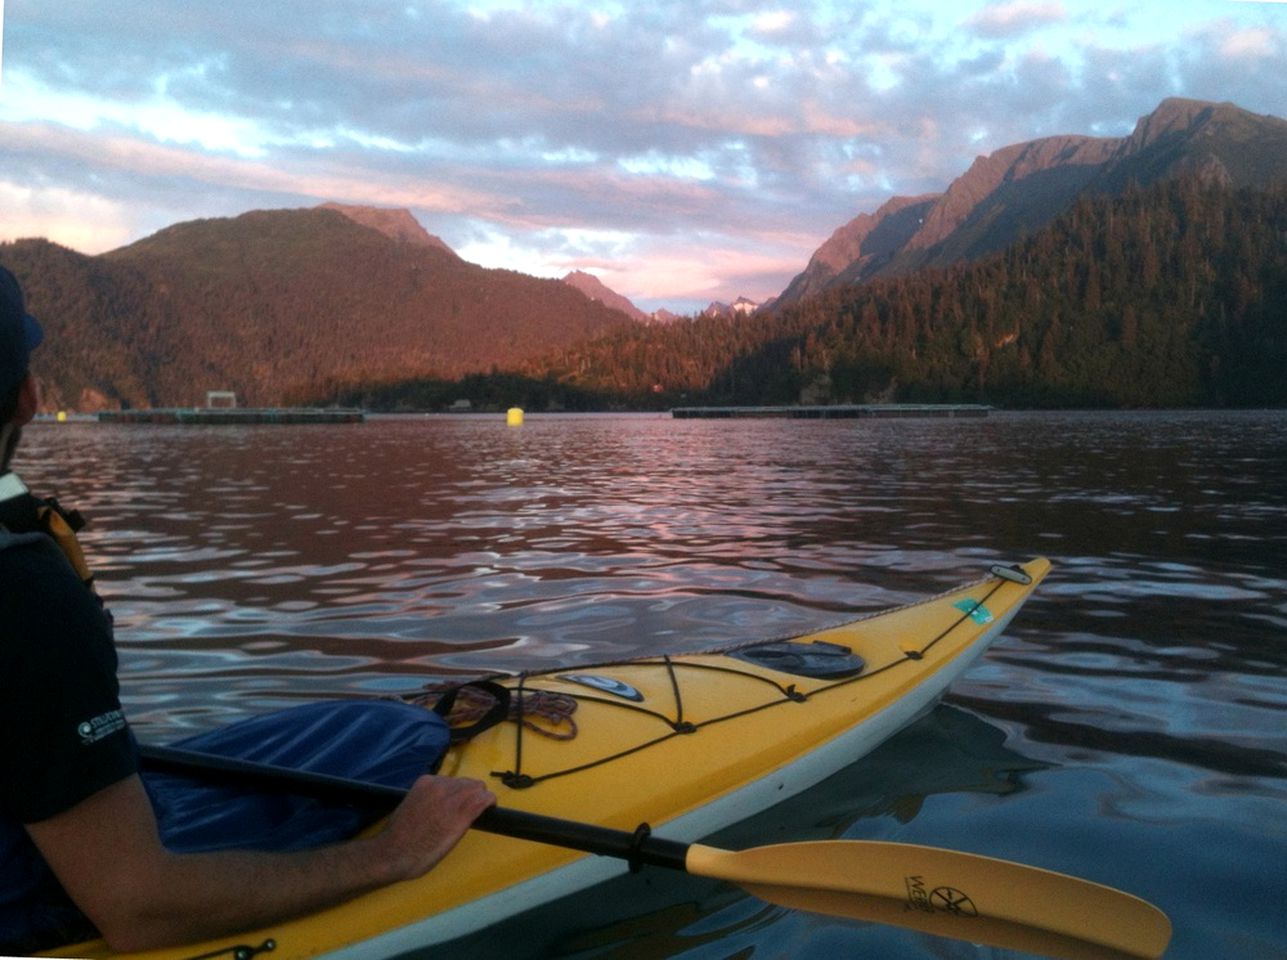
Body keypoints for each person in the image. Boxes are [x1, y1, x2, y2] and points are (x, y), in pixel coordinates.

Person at [0, 265, 496, 954]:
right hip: (28, 892)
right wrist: (394, 854)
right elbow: (140, 907)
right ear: (28, 396)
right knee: (397, 734)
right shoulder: (26, 594)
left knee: (380, 724)